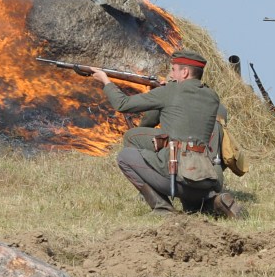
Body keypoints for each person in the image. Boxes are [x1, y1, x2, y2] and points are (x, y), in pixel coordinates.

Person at [90, 50, 244, 218]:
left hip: (176, 175)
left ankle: (162, 208)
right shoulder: (212, 96)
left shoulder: (170, 92)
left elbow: (123, 104)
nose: (171, 74)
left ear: (184, 72)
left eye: (174, 69)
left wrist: (105, 80)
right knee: (193, 209)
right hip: (208, 178)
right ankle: (216, 202)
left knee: (125, 157)